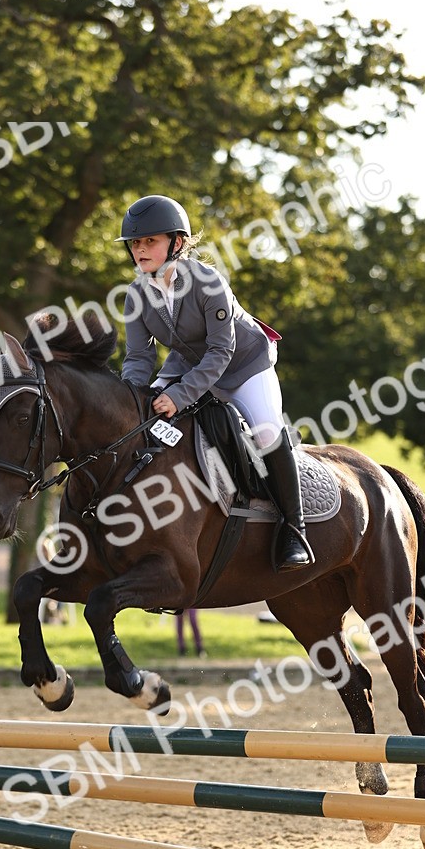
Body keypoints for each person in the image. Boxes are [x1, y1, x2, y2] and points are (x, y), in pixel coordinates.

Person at [116, 195, 314, 573]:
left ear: (177, 243)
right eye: (135, 244)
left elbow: (221, 351)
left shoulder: (207, 282)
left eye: (150, 242)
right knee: (142, 418)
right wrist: (133, 397)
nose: (140, 250)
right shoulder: (136, 294)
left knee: (267, 431)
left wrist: (178, 395)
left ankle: (294, 528)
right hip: (190, 364)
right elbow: (139, 358)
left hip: (244, 365)